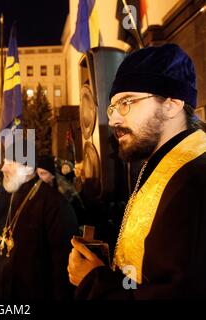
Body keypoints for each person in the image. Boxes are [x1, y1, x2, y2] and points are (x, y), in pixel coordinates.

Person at [67, 44, 206, 299]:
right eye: (112, 107)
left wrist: (93, 282)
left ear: (172, 104)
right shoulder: (157, 166)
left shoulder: (196, 178)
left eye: (126, 102)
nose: (114, 120)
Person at [0, 140, 78, 300]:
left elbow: (62, 267)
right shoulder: (7, 194)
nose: (3, 168)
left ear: (28, 168)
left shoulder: (54, 204)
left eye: (10, 163)